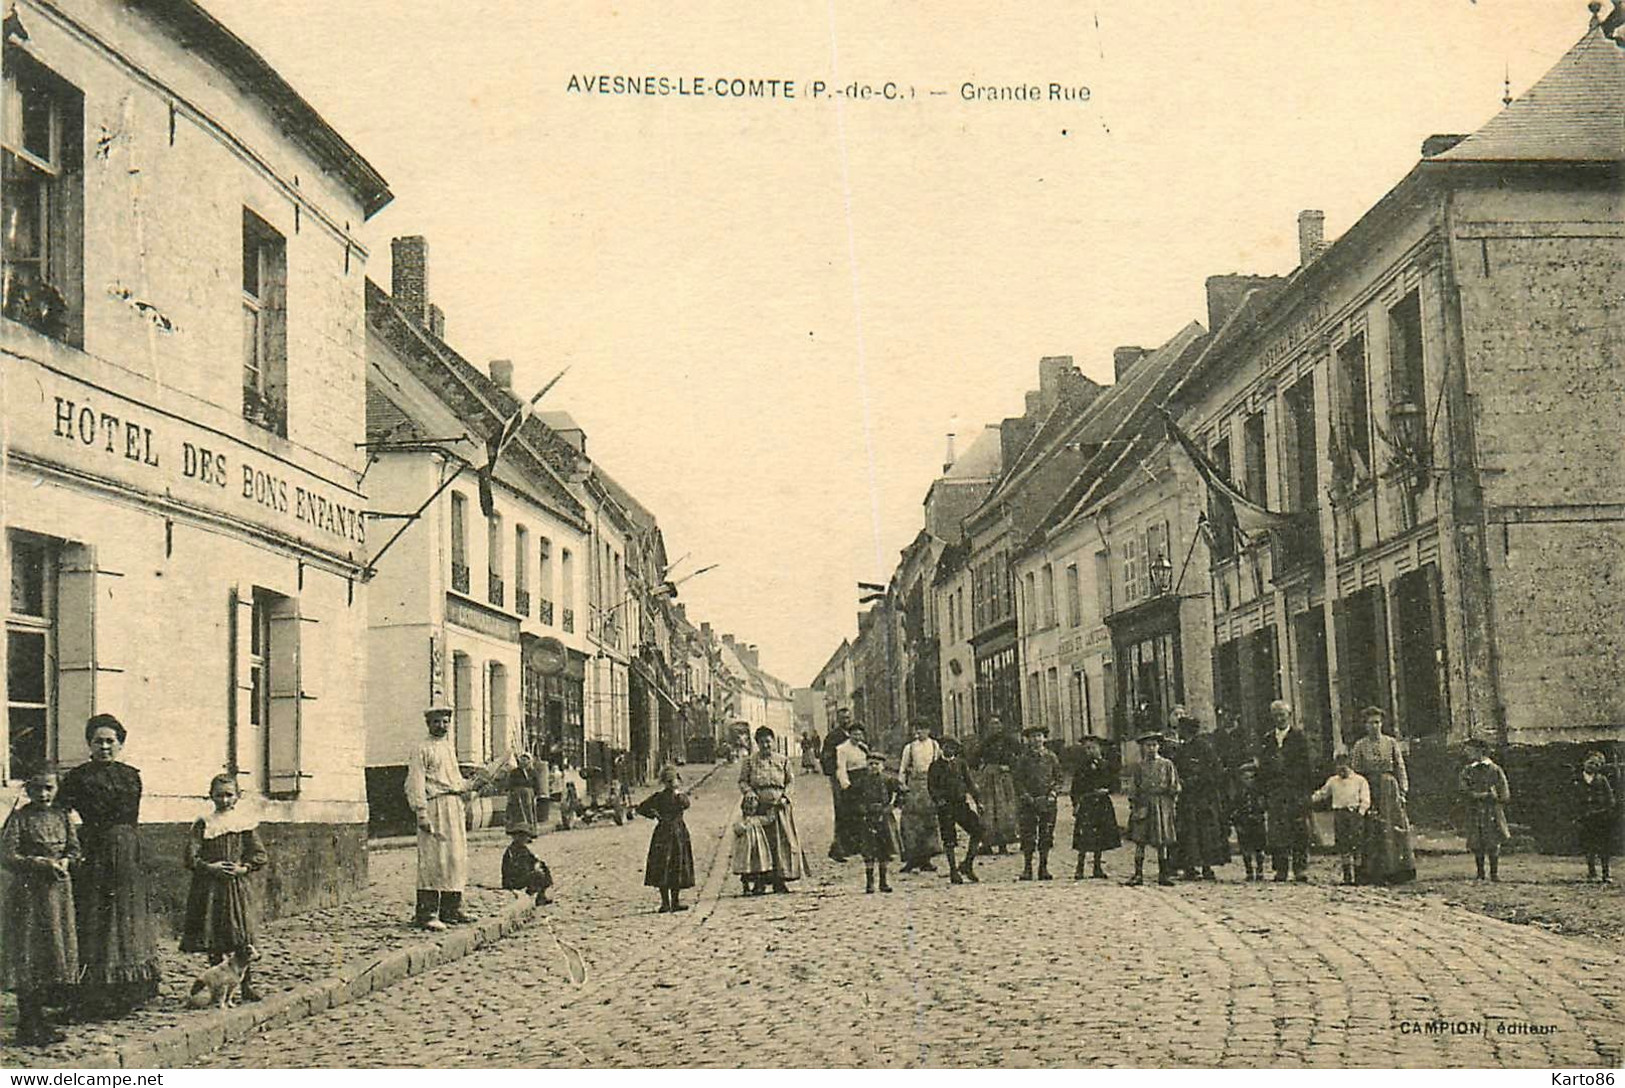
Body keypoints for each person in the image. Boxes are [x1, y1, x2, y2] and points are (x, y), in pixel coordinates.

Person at [57, 714, 160, 1016]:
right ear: (89, 744)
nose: (104, 746)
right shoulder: (78, 777)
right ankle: (95, 992)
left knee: (125, 916)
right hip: (94, 850)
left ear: (120, 744)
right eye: (98, 741)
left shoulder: (131, 775)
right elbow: (62, 813)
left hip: (127, 851)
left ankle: (128, 989)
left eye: (110, 741)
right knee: (96, 916)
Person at [1, 769, 79, 1045]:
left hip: (57, 895)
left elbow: (74, 849)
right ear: (28, 791)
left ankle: (41, 1022)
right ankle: (28, 1022)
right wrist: (38, 863)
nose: (43, 794)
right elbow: (7, 855)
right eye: (37, 789)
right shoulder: (20, 818)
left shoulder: (62, 817)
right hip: (29, 898)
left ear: (57, 788)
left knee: (52, 954)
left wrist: (67, 861)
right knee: (30, 954)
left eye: (49, 788)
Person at [180, 773, 269, 1001]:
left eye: (229, 795)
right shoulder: (204, 823)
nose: (225, 800)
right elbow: (190, 857)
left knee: (242, 935)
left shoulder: (245, 824)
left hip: (237, 888)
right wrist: (211, 867)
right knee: (215, 936)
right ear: (211, 796)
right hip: (211, 888)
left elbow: (259, 854)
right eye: (219, 795)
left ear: (237, 796)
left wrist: (244, 868)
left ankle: (247, 985)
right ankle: (218, 986)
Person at [405, 701, 474, 930]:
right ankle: (427, 913)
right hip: (434, 806)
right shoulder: (421, 748)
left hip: (453, 805)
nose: (441, 726)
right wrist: (421, 812)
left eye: (445, 722)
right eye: (436, 722)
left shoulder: (447, 748)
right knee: (433, 859)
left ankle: (451, 909)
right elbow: (415, 782)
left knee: (455, 857)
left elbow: (454, 780)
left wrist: (470, 785)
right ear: (428, 724)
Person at [1348, 706, 1417, 885]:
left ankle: (1397, 870)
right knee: (1372, 829)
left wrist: (1402, 791)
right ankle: (1373, 872)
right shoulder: (1360, 746)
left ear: (1382, 724)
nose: (1374, 726)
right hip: (1369, 787)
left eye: (1377, 722)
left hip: (1389, 788)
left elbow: (1400, 767)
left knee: (1394, 827)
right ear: (1365, 725)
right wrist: (1357, 794)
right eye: (1370, 723)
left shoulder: (1391, 743)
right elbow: (1355, 771)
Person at [737, 725, 809, 892]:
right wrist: (749, 792)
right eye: (762, 742)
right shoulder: (749, 762)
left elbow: (790, 781)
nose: (766, 746)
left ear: (774, 742)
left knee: (781, 843)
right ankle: (759, 881)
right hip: (758, 808)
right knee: (759, 845)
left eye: (768, 742)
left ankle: (779, 879)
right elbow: (742, 781)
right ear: (757, 743)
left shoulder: (782, 761)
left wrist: (785, 797)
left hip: (779, 807)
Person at [1258, 700, 1314, 882]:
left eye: (1282, 715)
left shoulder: (1299, 737)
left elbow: (1306, 767)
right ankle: (1280, 869)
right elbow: (1263, 769)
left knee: (1299, 830)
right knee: (1277, 831)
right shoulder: (1268, 739)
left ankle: (1300, 869)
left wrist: (1305, 792)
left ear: (1289, 716)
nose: (1279, 718)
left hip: (1295, 791)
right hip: (1276, 791)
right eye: (1276, 715)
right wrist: (1264, 792)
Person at [1171, 715, 1230, 881]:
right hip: (1187, 797)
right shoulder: (1181, 750)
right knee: (1188, 832)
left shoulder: (1204, 748)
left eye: (1181, 730)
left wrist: (1197, 780)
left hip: (1203, 797)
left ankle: (1206, 866)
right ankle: (1190, 867)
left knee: (1205, 833)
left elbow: (1216, 771)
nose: (1179, 733)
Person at [637, 765, 695, 912]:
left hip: (676, 834)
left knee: (675, 866)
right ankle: (666, 903)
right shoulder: (661, 797)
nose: (671, 783)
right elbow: (642, 808)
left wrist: (654, 814)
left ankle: (673, 902)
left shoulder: (677, 797)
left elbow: (686, 804)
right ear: (664, 781)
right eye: (668, 780)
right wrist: (655, 814)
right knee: (664, 866)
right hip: (666, 834)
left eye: (673, 779)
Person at [1126, 732, 1180, 886]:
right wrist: (1134, 804)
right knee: (1140, 841)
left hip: (1161, 805)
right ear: (1143, 748)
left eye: (1154, 745)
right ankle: (1138, 874)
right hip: (1143, 804)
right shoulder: (1139, 766)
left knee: (1161, 841)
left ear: (1159, 747)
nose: (1151, 748)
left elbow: (1174, 786)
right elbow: (1133, 787)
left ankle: (1163, 875)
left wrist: (1170, 804)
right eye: (1148, 745)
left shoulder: (1167, 764)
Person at [927, 736, 983, 884]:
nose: (948, 749)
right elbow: (932, 787)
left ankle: (967, 865)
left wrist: (978, 802)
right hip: (945, 807)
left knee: (978, 831)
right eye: (945, 746)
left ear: (956, 749)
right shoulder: (935, 766)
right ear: (941, 747)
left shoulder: (961, 764)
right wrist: (939, 800)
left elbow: (970, 783)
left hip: (960, 804)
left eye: (952, 747)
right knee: (949, 838)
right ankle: (953, 870)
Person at [1012, 724, 1063, 881]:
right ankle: (1027, 868)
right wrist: (1026, 796)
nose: (1036, 740)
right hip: (1029, 802)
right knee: (1028, 835)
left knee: (1046, 835)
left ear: (1045, 738)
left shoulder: (1051, 757)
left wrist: (1053, 793)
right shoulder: (1023, 758)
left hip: (1047, 802)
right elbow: (1017, 780)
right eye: (1033, 737)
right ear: (1028, 740)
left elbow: (1059, 778)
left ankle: (1043, 867)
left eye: (1039, 736)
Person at [1311, 753, 1371, 886]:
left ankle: (1359, 875)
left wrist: (1360, 813)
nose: (1341, 771)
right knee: (1343, 845)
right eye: (1338, 768)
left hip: (1354, 814)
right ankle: (1347, 876)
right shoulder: (1333, 781)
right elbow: (1323, 793)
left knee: (1356, 844)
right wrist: (1309, 799)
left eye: (1344, 768)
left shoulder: (1360, 780)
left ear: (1350, 766)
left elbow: (1365, 799)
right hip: (1339, 814)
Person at [1459, 738, 1511, 882]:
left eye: (1469, 750)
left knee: (1493, 840)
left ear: (1480, 751)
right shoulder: (1468, 770)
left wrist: (1496, 796)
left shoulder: (1495, 770)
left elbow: (1504, 792)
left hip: (1492, 810)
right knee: (1477, 840)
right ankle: (1480, 872)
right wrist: (1475, 795)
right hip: (1475, 809)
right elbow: (1462, 789)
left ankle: (1494, 873)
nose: (1466, 753)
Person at [1070, 736, 1120, 880]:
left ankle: (1097, 867)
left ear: (1099, 749)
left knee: (1100, 837)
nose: (1090, 751)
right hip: (1087, 804)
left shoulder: (1106, 765)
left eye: (1093, 748)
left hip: (1102, 804)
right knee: (1084, 837)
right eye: (1087, 748)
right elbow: (1075, 788)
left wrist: (1107, 790)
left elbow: (1114, 783)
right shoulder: (1081, 767)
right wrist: (1076, 804)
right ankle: (1079, 867)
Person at [897, 722, 944, 874]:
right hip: (914, 786)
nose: (919, 732)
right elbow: (903, 769)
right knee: (911, 822)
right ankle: (911, 859)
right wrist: (902, 786)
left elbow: (940, 767)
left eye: (923, 729)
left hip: (930, 786)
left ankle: (926, 859)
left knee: (929, 821)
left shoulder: (935, 746)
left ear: (928, 730)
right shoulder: (909, 748)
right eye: (916, 729)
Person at [852, 751, 903, 893]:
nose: (873, 766)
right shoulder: (862, 781)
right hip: (867, 817)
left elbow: (903, 790)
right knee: (869, 849)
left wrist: (894, 805)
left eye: (877, 764)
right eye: (870, 764)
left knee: (884, 849)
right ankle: (869, 883)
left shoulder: (888, 779)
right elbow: (851, 796)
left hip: (884, 817)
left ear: (883, 766)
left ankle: (883, 881)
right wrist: (860, 808)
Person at [973, 719, 1021, 854]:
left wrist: (1010, 766)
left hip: (1004, 778)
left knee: (1004, 809)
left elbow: (1020, 756)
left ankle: (1003, 844)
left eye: (997, 724)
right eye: (991, 724)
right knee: (988, 810)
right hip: (989, 778)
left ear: (1002, 725)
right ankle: (987, 843)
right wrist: (983, 768)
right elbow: (974, 759)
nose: (995, 727)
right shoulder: (985, 742)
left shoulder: (1009, 741)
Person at [833, 723, 871, 862]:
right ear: (849, 734)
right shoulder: (842, 749)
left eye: (860, 734)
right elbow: (841, 768)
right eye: (855, 734)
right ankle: (841, 849)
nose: (858, 737)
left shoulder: (863, 747)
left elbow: (869, 764)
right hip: (851, 783)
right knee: (847, 817)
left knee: (864, 815)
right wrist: (846, 785)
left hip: (864, 784)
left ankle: (861, 846)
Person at [1578, 752, 1616, 883]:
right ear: (1584, 762)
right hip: (1584, 817)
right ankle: (1592, 873)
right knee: (1589, 845)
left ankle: (1606, 874)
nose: (1593, 766)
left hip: (1600, 817)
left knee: (1604, 845)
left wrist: (1604, 810)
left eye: (1597, 764)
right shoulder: (1577, 779)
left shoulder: (1602, 779)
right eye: (1591, 763)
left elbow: (1611, 799)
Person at [1231, 760, 1269, 881]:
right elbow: (1234, 806)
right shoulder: (1238, 793)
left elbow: (1264, 806)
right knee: (1245, 848)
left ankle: (1260, 870)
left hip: (1257, 821)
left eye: (1251, 777)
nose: (1248, 780)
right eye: (1245, 778)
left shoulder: (1259, 793)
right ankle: (1248, 871)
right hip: (1243, 822)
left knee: (1259, 848)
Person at [730, 794, 775, 896]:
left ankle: (758, 885)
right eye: (747, 809)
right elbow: (737, 828)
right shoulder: (741, 819)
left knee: (757, 865)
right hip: (745, 848)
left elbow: (769, 820)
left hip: (757, 847)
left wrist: (771, 809)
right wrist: (743, 826)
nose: (750, 811)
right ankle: (746, 886)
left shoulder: (757, 819)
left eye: (752, 809)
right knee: (746, 867)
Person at [501, 826, 554, 905]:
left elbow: (534, 860)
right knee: (537, 875)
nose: (524, 839)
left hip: (523, 876)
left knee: (543, 868)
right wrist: (530, 872)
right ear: (515, 837)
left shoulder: (524, 849)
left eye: (525, 836)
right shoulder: (511, 851)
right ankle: (532, 894)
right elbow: (512, 870)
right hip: (513, 880)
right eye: (521, 836)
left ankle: (541, 894)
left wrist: (537, 864)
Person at [505, 752, 541, 835]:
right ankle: (517, 831)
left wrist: (536, 795)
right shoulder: (514, 772)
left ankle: (531, 831)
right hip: (517, 796)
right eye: (522, 760)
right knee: (517, 813)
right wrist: (511, 792)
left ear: (529, 761)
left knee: (529, 813)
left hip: (529, 795)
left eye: (526, 760)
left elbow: (537, 784)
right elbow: (510, 783)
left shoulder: (533, 772)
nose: (523, 762)